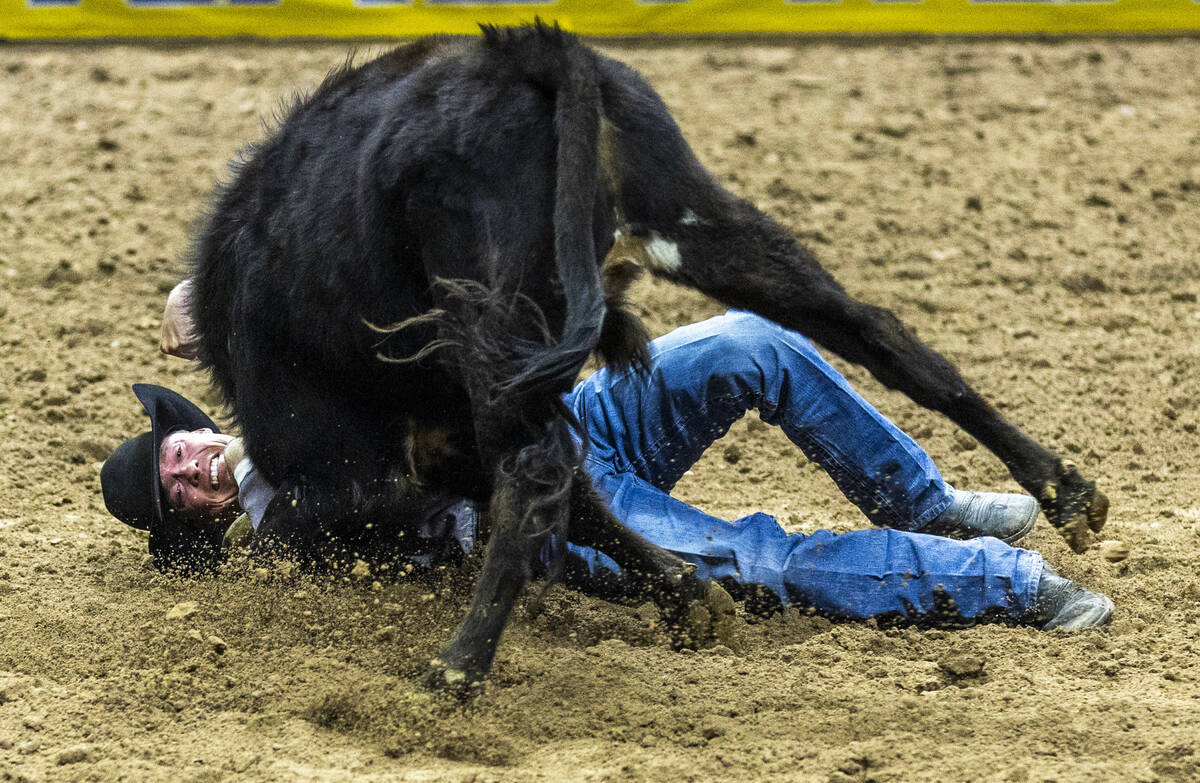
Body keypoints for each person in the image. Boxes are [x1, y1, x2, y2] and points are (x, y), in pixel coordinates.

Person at [102, 288, 1113, 630]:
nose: (188, 462)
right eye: (177, 488)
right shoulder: (291, 520)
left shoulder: (272, 407)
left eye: (173, 449)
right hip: (553, 524)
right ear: (204, 521)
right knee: (758, 562)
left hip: (578, 425)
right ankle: (1009, 587)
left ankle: (925, 506)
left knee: (744, 343)